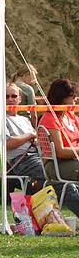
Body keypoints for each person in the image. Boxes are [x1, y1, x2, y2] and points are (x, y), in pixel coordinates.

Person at [0, 83, 45, 195]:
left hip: (38, 155)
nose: (10, 99)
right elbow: (6, 144)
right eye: (6, 96)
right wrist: (30, 135)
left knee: (62, 168)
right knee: (51, 172)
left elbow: (35, 139)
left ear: (20, 99)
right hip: (20, 161)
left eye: (14, 96)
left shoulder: (25, 120)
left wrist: (35, 141)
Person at [38, 78, 79, 216]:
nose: (76, 99)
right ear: (62, 98)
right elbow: (59, 152)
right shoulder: (49, 119)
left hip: (73, 161)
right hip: (56, 165)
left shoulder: (71, 116)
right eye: (73, 96)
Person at [11, 63, 38, 128]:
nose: (32, 81)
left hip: (10, 122)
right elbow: (33, 114)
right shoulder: (28, 89)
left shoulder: (8, 87)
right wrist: (35, 129)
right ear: (27, 74)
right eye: (32, 78)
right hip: (25, 123)